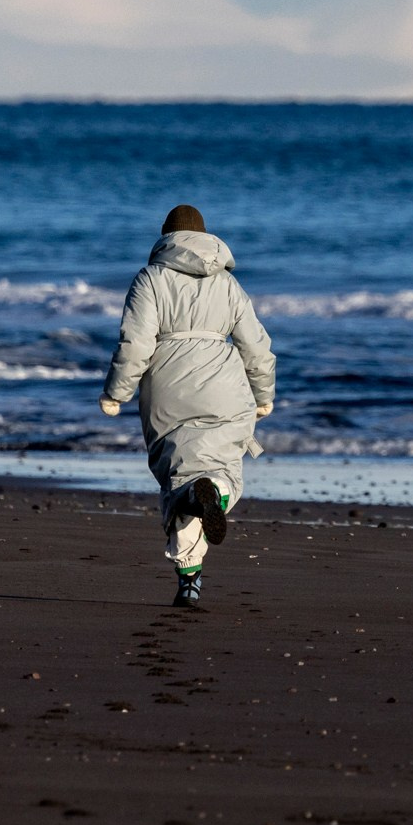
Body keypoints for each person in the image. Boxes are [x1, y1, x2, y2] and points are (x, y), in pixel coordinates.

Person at [98, 204, 276, 607]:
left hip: (168, 387)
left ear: (165, 237)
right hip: (226, 386)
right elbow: (257, 347)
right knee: (223, 469)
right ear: (205, 236)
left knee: (179, 477)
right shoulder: (229, 285)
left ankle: (189, 578)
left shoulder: (150, 279)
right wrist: (263, 397)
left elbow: (135, 344)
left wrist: (116, 392)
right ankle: (211, 496)